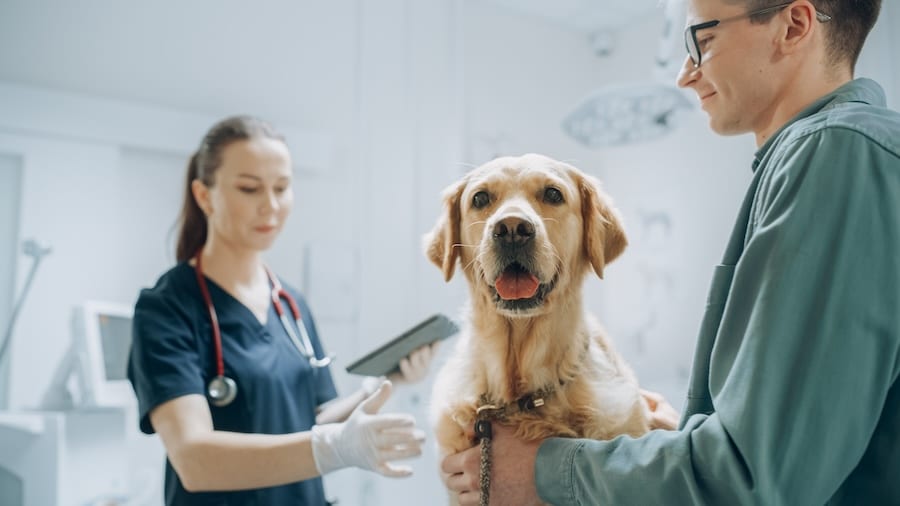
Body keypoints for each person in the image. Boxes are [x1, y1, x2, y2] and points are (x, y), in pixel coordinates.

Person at [442, 0, 900, 504]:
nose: (685, 75)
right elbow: (795, 445)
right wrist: (681, 441)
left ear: (793, 26)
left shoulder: (837, 154)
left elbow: (755, 481)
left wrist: (546, 471)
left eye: (702, 39)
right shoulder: (826, 157)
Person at [128, 115, 437, 505]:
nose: (271, 206)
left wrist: (383, 384)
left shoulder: (290, 305)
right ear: (204, 196)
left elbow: (316, 421)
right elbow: (194, 459)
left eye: (282, 187)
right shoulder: (168, 307)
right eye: (249, 188)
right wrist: (332, 448)